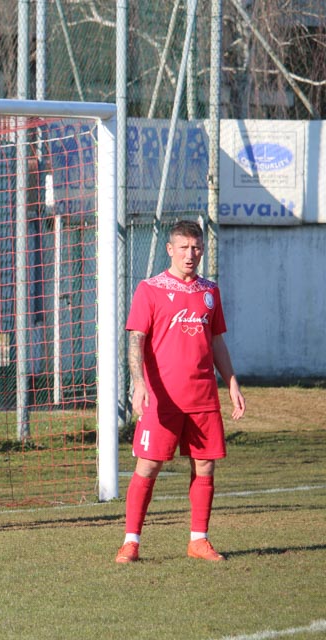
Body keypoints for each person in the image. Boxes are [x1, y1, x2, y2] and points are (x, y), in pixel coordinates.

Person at [116, 219, 246, 563]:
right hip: (162, 399)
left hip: (203, 396)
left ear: (202, 250)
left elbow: (216, 341)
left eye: (196, 247)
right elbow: (136, 340)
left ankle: (198, 540)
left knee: (205, 466)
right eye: (184, 247)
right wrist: (139, 384)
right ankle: (131, 542)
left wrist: (231, 381)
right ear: (170, 249)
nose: (190, 254)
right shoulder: (150, 289)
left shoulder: (210, 291)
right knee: (148, 466)